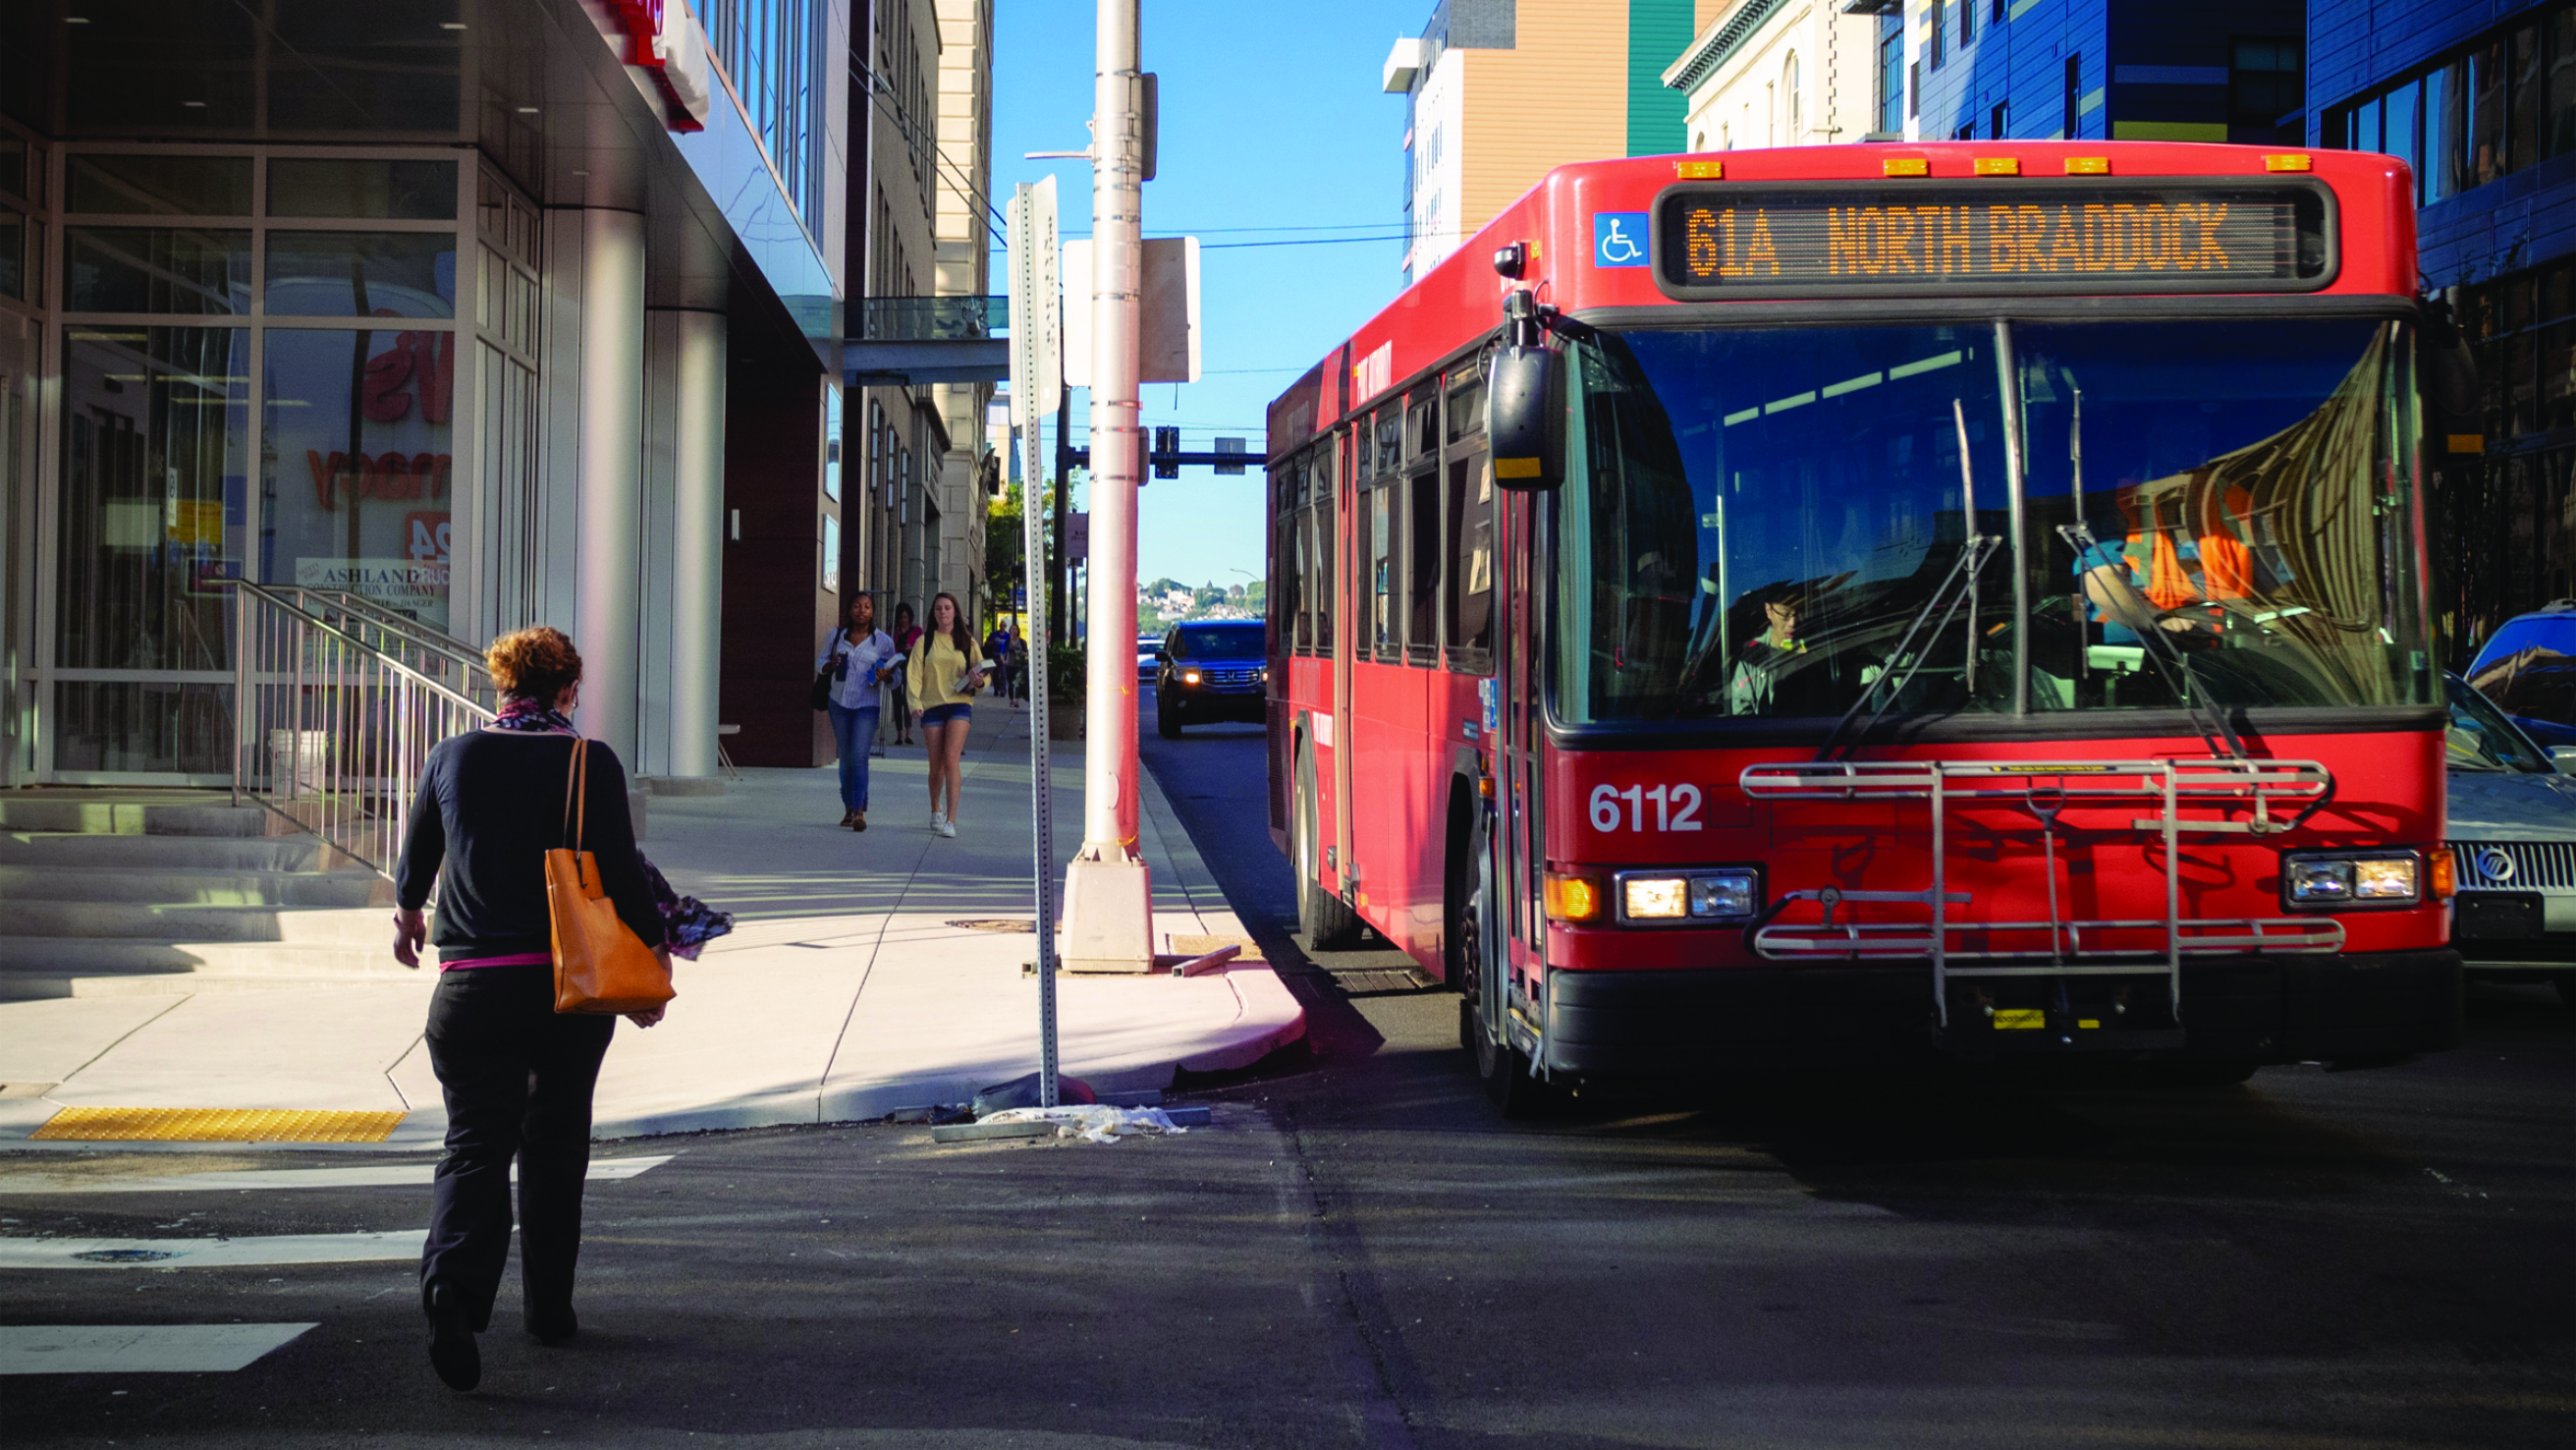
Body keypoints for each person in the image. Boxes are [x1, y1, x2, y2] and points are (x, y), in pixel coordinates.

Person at [391, 626, 668, 1393]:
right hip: (565, 995)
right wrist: (649, 966)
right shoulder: (588, 762)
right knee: (553, 1145)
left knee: (474, 1142)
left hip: (471, 989)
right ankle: (549, 1312)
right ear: (568, 690)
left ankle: (451, 1286)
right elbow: (622, 874)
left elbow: (417, 857)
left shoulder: (452, 756)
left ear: (501, 686)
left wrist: (409, 915)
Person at [907, 590, 988, 837]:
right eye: (939, 608)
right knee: (937, 765)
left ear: (955, 612)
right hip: (932, 706)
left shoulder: (968, 642)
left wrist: (978, 681)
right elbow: (913, 673)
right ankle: (935, 808)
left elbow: (983, 673)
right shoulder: (925, 641)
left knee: (952, 760)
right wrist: (915, 702)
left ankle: (951, 821)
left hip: (960, 704)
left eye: (947, 608)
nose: (943, 612)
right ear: (934, 613)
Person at [817, 593, 899, 830]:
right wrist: (828, 665)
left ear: (872, 611)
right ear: (849, 610)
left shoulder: (882, 642)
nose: (861, 611)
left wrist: (887, 675)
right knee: (847, 757)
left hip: (867, 704)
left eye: (867, 607)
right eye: (856, 606)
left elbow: (896, 677)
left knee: (861, 756)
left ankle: (859, 811)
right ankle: (848, 808)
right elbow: (819, 662)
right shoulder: (836, 636)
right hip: (838, 702)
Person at [1727, 591, 1810, 715]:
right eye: (1785, 614)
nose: (1793, 623)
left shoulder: (1816, 644)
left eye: (1798, 612)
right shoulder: (1752, 657)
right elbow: (1742, 715)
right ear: (1768, 610)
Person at [889, 601, 923, 747]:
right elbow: (889, 647)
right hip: (896, 668)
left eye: (905, 617)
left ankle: (908, 733)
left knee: (907, 700)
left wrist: (912, 648)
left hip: (910, 668)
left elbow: (923, 649)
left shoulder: (917, 631)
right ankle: (899, 734)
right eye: (901, 617)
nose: (903, 620)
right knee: (896, 701)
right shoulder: (892, 630)